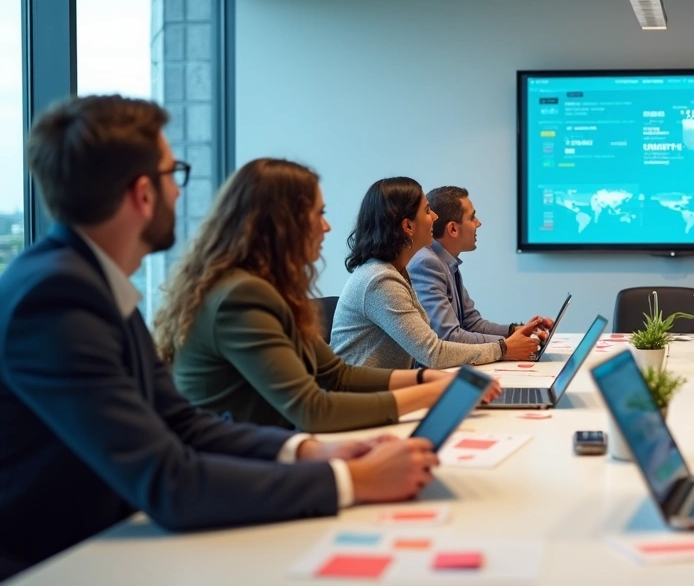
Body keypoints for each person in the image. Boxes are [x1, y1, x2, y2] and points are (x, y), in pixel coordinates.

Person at [0, 96, 436, 580]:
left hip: (110, 540)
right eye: (174, 175)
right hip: (59, 562)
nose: (181, 193)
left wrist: (311, 452)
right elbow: (169, 481)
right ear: (143, 194)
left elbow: (182, 423)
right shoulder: (58, 297)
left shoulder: (87, 281)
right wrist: (349, 480)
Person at [156, 159, 496, 434]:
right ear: (281, 224)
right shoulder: (240, 296)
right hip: (240, 467)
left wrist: (425, 379)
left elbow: (337, 375)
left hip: (276, 447)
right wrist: (432, 392)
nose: (327, 227)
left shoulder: (270, 289)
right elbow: (311, 409)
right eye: (319, 214)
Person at [332, 178, 540, 369]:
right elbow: (433, 352)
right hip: (367, 402)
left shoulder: (395, 272)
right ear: (408, 226)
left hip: (385, 393)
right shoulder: (380, 280)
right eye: (427, 210)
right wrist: (503, 349)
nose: (435, 217)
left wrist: (512, 337)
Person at [407, 185, 552, 344]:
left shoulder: (447, 262)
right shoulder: (427, 264)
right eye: (472, 218)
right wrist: (506, 346)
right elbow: (448, 337)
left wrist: (517, 331)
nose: (479, 223)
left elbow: (471, 324)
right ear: (453, 229)